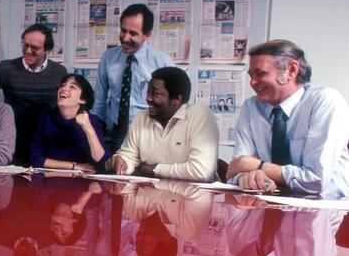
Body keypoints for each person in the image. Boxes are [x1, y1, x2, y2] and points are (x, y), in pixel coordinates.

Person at [226, 39, 349, 196]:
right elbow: (236, 169)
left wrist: (259, 166)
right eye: (251, 75)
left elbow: (315, 180)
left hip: (327, 209)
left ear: (291, 70)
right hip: (271, 205)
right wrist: (251, 177)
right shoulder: (251, 107)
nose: (252, 82)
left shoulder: (325, 101)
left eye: (261, 73)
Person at [106, 67, 219, 182]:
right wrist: (123, 162)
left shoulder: (199, 115)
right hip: (150, 194)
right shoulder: (141, 118)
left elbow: (201, 171)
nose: (148, 98)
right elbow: (129, 155)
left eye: (155, 93)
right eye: (148, 92)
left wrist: (155, 169)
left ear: (177, 100)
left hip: (194, 196)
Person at [92, 3, 174, 152]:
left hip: (150, 135)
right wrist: (94, 135)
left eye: (133, 33)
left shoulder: (162, 62)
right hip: (117, 134)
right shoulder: (108, 57)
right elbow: (99, 103)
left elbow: (173, 107)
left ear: (146, 34)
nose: (125, 38)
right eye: (123, 30)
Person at [0, 24, 67, 165]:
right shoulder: (7, 68)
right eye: (25, 45)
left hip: (47, 141)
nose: (28, 51)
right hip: (14, 139)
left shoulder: (60, 72)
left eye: (34, 48)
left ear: (47, 49)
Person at [30, 73, 109, 172]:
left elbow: (102, 162)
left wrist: (88, 129)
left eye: (72, 87)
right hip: (51, 178)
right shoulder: (45, 118)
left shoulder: (92, 121)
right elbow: (35, 159)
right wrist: (73, 166)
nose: (64, 89)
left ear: (82, 99)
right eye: (63, 85)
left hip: (82, 182)